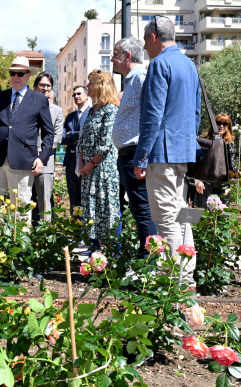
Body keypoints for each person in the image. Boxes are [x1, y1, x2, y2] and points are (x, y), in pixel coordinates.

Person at [133, 16, 201, 289]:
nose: (145, 47)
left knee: (165, 218)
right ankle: (188, 275)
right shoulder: (189, 64)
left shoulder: (159, 63)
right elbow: (195, 113)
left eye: (145, 40)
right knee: (183, 213)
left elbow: (152, 115)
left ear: (152, 37)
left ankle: (177, 280)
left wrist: (141, 157)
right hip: (183, 152)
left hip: (161, 153)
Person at [0, 56, 53, 228]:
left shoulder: (39, 99)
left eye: (20, 74)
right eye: (13, 73)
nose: (16, 77)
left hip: (22, 162)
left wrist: (42, 158)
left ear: (28, 75)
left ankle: (19, 248)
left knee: (21, 207)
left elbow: (49, 133)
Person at [111, 37, 157, 259]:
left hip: (135, 154)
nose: (112, 59)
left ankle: (148, 261)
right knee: (139, 209)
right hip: (129, 153)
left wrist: (143, 157)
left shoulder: (140, 77)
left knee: (143, 209)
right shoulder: (132, 80)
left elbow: (153, 114)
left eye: (115, 53)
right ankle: (145, 258)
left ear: (127, 56)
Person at [77, 70, 120, 250]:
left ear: (101, 86)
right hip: (88, 169)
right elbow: (83, 139)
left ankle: (110, 253)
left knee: (105, 209)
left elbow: (105, 143)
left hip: (102, 170)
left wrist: (90, 163)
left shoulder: (110, 110)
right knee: (91, 210)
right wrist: (81, 162)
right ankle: (95, 250)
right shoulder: (93, 110)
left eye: (91, 83)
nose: (87, 86)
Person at [31, 72, 64, 223]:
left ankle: (44, 237)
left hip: (45, 161)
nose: (45, 88)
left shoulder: (57, 111)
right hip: (24, 160)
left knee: (44, 201)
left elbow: (57, 137)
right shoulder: (25, 106)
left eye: (48, 86)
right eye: (42, 85)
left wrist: (43, 152)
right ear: (35, 86)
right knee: (23, 200)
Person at [194, 113, 238, 207]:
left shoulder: (229, 143)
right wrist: (198, 180)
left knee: (223, 212)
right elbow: (197, 162)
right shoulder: (204, 140)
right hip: (206, 180)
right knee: (204, 211)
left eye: (225, 124)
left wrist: (234, 175)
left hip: (223, 181)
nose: (221, 126)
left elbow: (231, 163)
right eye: (218, 123)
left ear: (228, 126)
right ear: (213, 124)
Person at [61, 85, 89, 215]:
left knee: (86, 196)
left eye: (79, 94)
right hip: (71, 160)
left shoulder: (92, 113)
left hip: (86, 161)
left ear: (87, 95)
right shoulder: (70, 116)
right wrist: (79, 134)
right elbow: (62, 137)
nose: (76, 97)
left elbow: (88, 135)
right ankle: (75, 229)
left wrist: (71, 134)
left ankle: (86, 230)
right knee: (73, 197)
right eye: (74, 95)